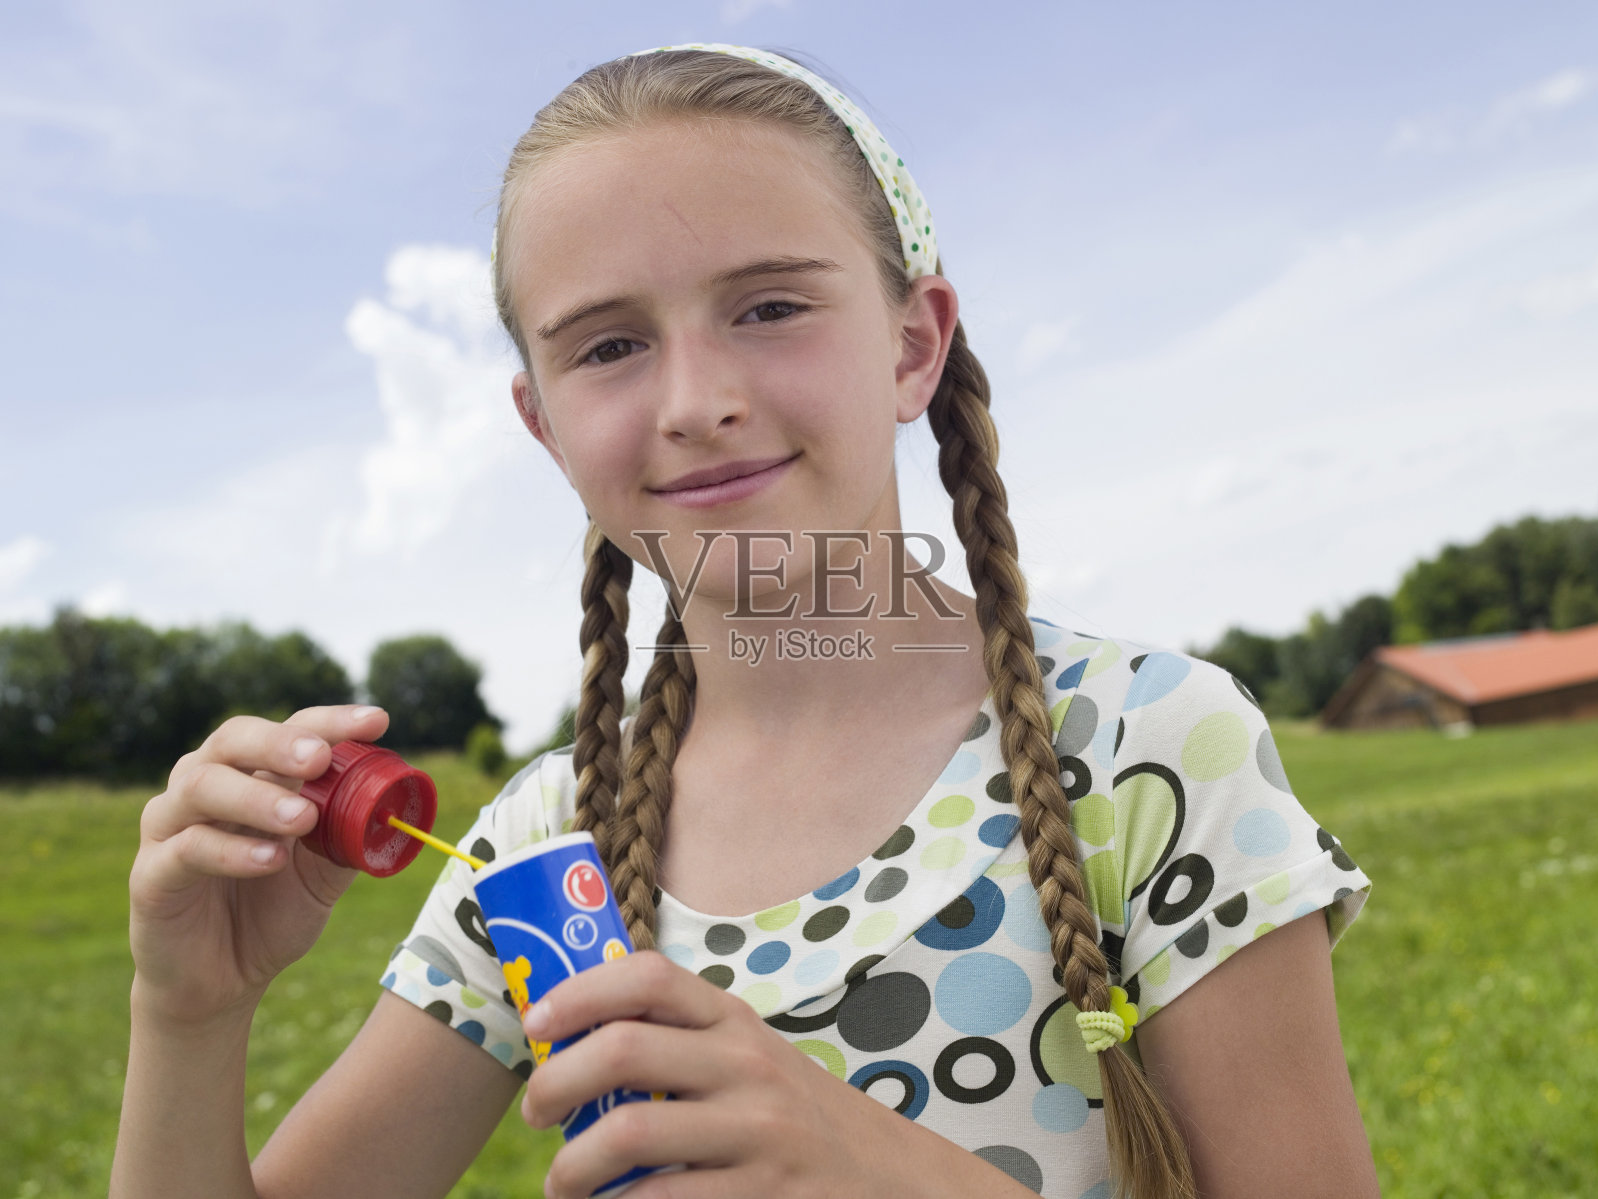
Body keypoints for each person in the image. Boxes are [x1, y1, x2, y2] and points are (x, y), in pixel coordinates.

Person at [111, 43, 1381, 1199]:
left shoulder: (1149, 746)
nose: (697, 399)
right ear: (544, 425)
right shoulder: (544, 855)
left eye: (769, 307)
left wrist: (877, 1165)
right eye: (608, 345)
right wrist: (188, 1016)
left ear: (910, 343)